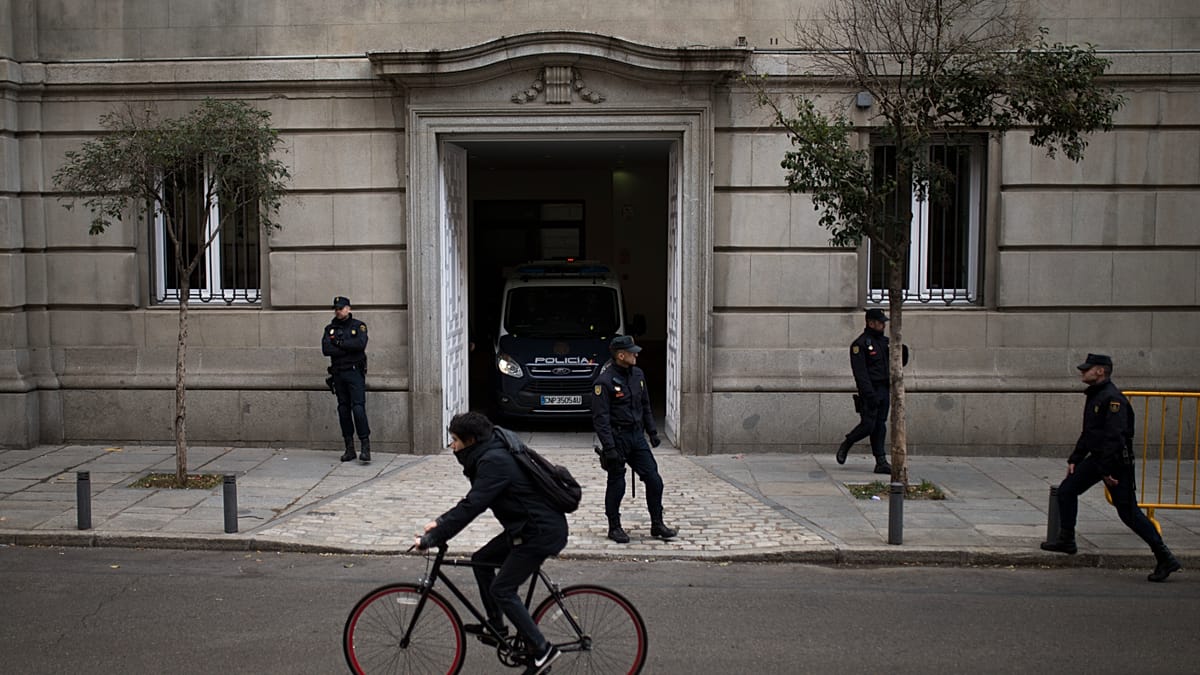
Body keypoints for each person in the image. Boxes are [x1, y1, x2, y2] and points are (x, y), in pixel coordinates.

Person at [415, 412, 567, 674]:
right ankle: (496, 626)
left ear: (471, 441)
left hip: (539, 533)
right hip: (526, 527)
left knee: (503, 589)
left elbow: (473, 505)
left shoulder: (495, 461)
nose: (452, 446)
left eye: (455, 440)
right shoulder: (489, 453)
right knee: (481, 561)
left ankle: (543, 650)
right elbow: (473, 500)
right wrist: (440, 522)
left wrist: (435, 536)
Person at [1041, 353, 1183, 582]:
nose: (1082, 372)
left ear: (1100, 371)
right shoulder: (1096, 395)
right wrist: (1075, 458)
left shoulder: (1113, 399)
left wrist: (1107, 471)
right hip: (1099, 459)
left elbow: (1115, 438)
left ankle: (1164, 557)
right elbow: (1090, 432)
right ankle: (1067, 540)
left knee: (1128, 513)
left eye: (1087, 369)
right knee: (1067, 491)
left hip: (1115, 463)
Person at [592, 335, 676, 544]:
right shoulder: (604, 382)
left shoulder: (638, 375)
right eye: (632, 352)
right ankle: (614, 527)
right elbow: (601, 419)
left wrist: (652, 432)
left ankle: (657, 523)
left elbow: (645, 405)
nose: (636, 355)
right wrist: (609, 447)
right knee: (617, 483)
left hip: (636, 436)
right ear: (621, 355)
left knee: (654, 480)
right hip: (617, 437)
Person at [836, 308, 906, 474]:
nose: (883, 325)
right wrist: (869, 394)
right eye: (880, 322)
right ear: (871, 323)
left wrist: (903, 349)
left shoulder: (886, 342)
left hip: (884, 389)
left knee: (880, 426)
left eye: (883, 322)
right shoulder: (860, 344)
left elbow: (899, 363)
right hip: (870, 391)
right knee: (868, 425)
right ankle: (847, 443)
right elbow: (860, 374)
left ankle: (880, 461)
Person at [322, 296, 370, 462]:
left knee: (358, 408)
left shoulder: (358, 326)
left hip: (354, 372)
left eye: (341, 308)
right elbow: (326, 349)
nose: (338, 311)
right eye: (336, 308)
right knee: (343, 410)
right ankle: (349, 448)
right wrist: (347, 346)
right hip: (338, 373)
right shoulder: (330, 329)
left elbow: (360, 345)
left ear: (348, 308)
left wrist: (339, 344)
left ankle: (365, 446)